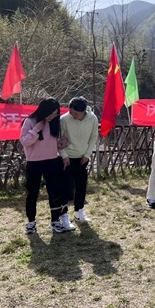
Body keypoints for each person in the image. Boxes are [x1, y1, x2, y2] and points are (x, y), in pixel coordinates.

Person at [20, 98, 71, 234]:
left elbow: (53, 142)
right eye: (51, 114)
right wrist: (37, 129)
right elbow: (25, 142)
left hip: (52, 160)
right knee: (32, 193)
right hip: (34, 162)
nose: (52, 116)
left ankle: (55, 221)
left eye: (55, 114)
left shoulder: (54, 122)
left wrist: (63, 143)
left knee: (55, 192)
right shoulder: (30, 121)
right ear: (44, 110)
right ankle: (31, 222)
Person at [59, 96, 98, 224]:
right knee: (66, 187)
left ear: (84, 111)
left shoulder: (93, 119)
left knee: (81, 186)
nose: (72, 115)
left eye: (76, 113)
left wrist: (87, 154)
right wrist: (64, 155)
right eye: (71, 112)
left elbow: (93, 137)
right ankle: (63, 214)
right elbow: (59, 139)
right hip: (67, 158)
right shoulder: (64, 119)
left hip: (82, 157)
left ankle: (79, 211)